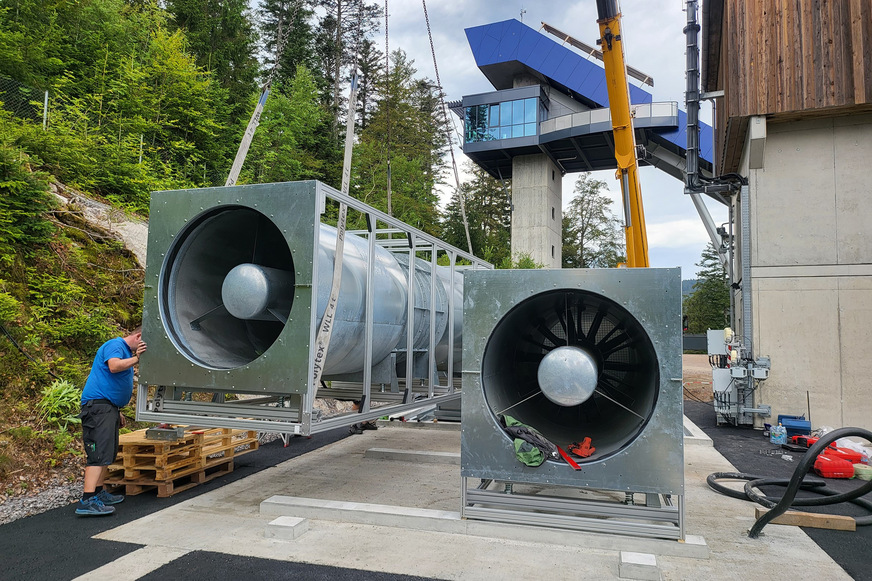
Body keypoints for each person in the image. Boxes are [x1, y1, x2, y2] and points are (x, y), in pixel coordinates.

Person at [75, 327, 146, 516]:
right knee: (97, 453)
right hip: (98, 408)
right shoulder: (116, 345)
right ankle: (87, 500)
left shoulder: (124, 351)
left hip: (107, 407)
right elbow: (114, 366)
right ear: (138, 336)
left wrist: (115, 410)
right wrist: (136, 359)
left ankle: (98, 493)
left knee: (106, 452)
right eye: (143, 343)